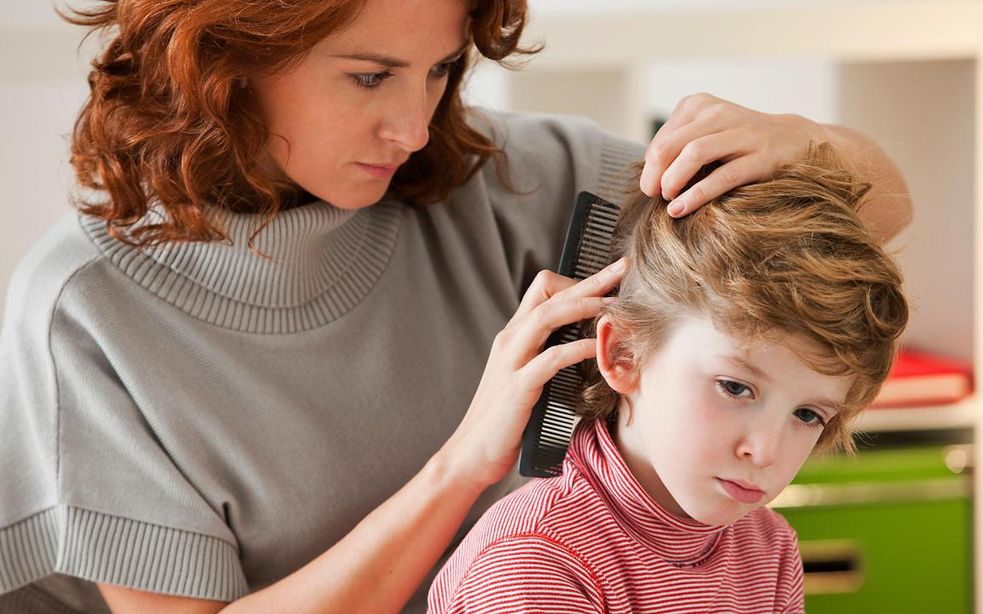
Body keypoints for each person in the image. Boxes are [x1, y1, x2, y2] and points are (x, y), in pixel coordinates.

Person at [0, 0, 912, 611]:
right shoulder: (88, 311)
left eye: (438, 72)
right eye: (369, 76)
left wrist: (796, 141)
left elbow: (878, 211)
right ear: (225, 57)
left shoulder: (520, 181)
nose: (413, 126)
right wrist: (464, 467)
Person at [427, 144, 909, 613]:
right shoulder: (534, 565)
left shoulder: (767, 550)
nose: (765, 451)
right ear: (624, 354)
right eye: (735, 387)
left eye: (807, 414)